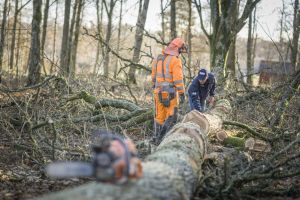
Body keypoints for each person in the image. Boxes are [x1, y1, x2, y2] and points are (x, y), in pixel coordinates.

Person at [151, 38, 187, 144]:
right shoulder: (175, 60)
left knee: (159, 116)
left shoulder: (157, 58)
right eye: (180, 50)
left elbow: (153, 77)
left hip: (158, 92)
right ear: (177, 48)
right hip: (171, 93)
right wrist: (182, 93)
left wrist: (156, 87)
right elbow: (178, 80)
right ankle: (164, 139)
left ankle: (156, 137)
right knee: (171, 116)